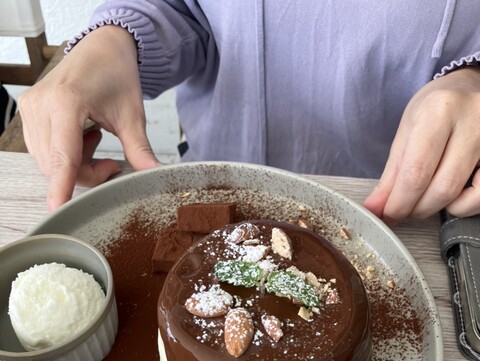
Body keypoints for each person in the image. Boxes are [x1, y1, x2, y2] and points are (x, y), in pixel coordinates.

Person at [18, 1, 480, 222]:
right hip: (211, 186)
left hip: (405, 216)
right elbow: (185, 10)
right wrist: (114, 38)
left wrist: (473, 76)